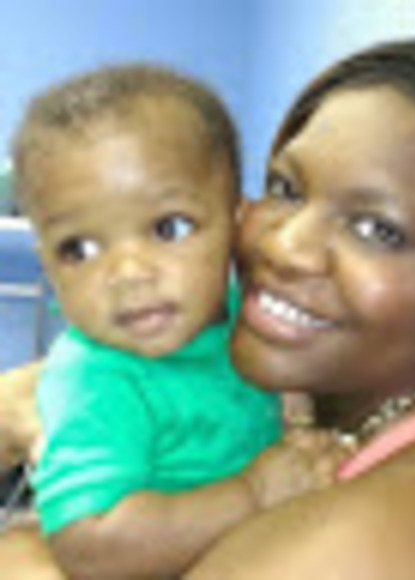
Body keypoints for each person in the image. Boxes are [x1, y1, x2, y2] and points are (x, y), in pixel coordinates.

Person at [1, 39, 415, 579]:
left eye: (376, 229)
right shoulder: (348, 410)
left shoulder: (374, 532)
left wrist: (24, 559)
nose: (283, 245)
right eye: (285, 189)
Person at [1, 63, 340, 579]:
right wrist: (252, 494)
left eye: (169, 228)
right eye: (79, 248)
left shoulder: (244, 317)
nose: (128, 274)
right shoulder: (98, 380)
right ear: (47, 264)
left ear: (238, 224)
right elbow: (92, 545)